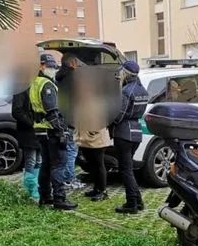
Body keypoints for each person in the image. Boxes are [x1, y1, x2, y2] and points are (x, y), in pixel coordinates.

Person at [29, 54, 77, 210]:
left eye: (53, 66)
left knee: (46, 164)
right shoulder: (46, 85)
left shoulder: (34, 83)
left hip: (40, 129)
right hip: (51, 130)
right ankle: (59, 198)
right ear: (41, 65)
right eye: (49, 66)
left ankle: (45, 196)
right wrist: (61, 131)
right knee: (59, 165)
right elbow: (52, 111)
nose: (52, 69)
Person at [11, 54, 55, 201]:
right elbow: (17, 110)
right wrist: (31, 122)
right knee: (31, 159)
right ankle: (30, 188)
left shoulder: (40, 83)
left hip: (39, 129)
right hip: (28, 130)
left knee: (39, 160)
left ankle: (35, 186)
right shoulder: (22, 85)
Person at [110, 60, 149, 214]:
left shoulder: (126, 91)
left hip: (124, 133)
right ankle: (138, 201)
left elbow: (119, 115)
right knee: (129, 169)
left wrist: (109, 118)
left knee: (125, 170)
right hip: (136, 133)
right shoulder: (143, 90)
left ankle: (132, 203)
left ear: (125, 73)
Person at [75, 71, 111, 201]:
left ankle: (102, 191)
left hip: (96, 136)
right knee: (91, 164)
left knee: (98, 164)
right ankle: (96, 188)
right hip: (85, 136)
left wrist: (93, 130)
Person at [55, 53, 85, 191]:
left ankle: (65, 177)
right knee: (72, 150)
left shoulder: (57, 78)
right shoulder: (74, 78)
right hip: (72, 118)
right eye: (77, 62)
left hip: (61, 118)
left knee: (65, 150)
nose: (78, 65)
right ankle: (69, 178)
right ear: (72, 63)